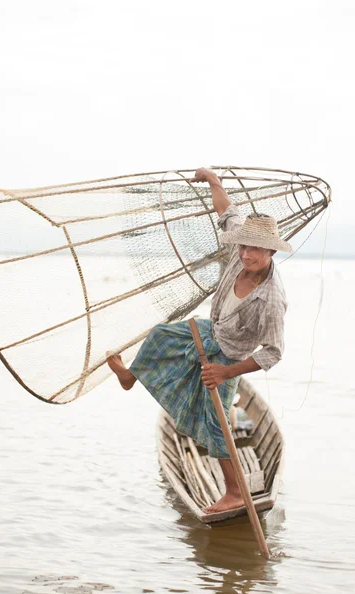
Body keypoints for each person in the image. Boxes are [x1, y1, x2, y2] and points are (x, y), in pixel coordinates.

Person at [107, 167, 292, 514]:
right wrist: (214, 181)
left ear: (271, 253)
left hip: (229, 354)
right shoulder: (241, 248)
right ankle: (130, 377)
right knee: (161, 335)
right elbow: (227, 213)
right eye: (245, 246)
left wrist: (226, 372)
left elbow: (273, 353)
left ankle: (235, 491)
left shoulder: (271, 300)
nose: (247, 254)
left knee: (217, 422)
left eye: (256, 250)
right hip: (210, 330)